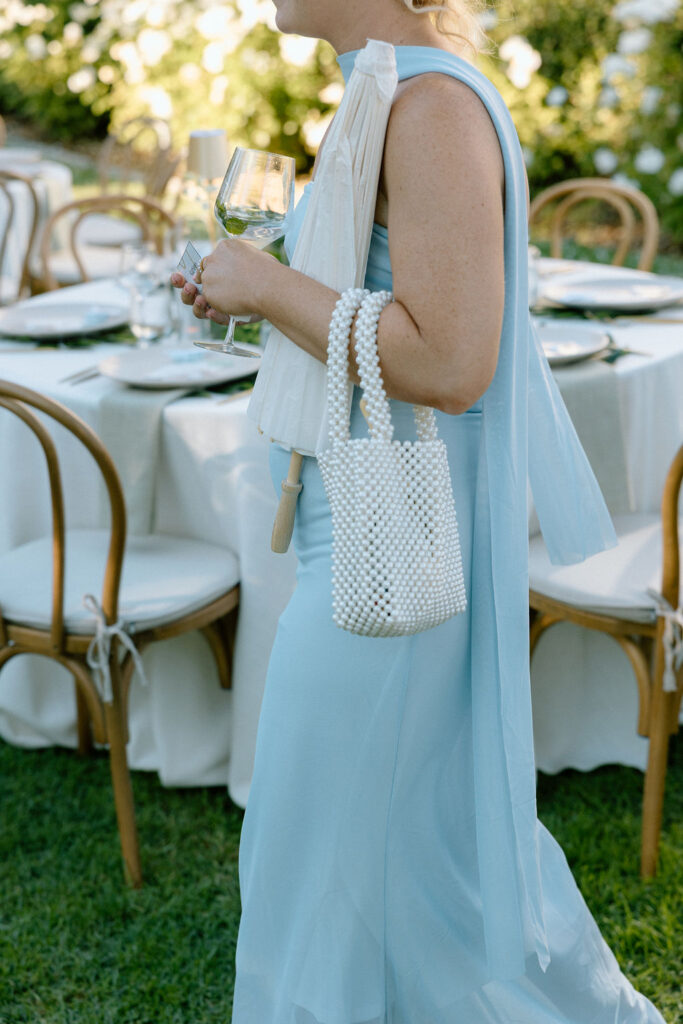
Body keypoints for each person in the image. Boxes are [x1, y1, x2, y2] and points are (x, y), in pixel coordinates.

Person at [171, 2, 667, 1021]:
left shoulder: (429, 105)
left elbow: (449, 359)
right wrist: (253, 296)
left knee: (322, 849)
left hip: (395, 545)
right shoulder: (386, 87)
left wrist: (267, 286)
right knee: (396, 855)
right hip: (361, 530)